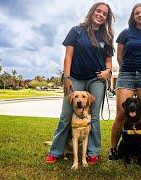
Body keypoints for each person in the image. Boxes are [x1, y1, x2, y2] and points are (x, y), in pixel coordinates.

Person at [45, 2, 114, 165]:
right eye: (99, 11)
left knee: (94, 117)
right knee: (66, 116)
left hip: (96, 80)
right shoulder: (76, 31)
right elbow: (68, 56)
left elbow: (108, 61)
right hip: (75, 78)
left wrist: (107, 72)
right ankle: (55, 151)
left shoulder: (107, 37)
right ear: (92, 12)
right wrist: (67, 77)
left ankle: (92, 152)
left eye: (105, 14)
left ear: (107, 18)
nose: (101, 15)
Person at [108, 3, 141, 160]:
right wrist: (126, 68)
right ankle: (113, 149)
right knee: (121, 113)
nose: (140, 15)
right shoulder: (125, 33)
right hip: (126, 75)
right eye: (137, 13)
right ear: (133, 16)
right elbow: (119, 56)